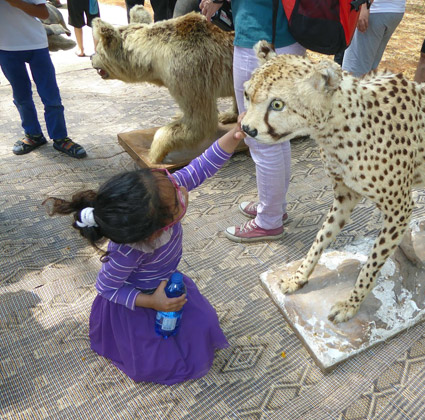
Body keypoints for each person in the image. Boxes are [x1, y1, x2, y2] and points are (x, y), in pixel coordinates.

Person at [43, 121, 246, 385]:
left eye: (175, 186)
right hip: (138, 303)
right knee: (157, 359)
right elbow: (107, 288)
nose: (182, 190)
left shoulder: (163, 193)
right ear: (154, 233)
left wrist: (235, 134)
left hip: (167, 284)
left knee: (203, 324)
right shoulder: (129, 252)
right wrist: (153, 302)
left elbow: (201, 167)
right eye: (178, 204)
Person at [201, 0, 306, 242]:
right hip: (288, 36)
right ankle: (274, 208)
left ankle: (268, 220)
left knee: (260, 136)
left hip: (260, 38)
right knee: (276, 134)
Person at [0, 0, 87, 158]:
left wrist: (14, 2)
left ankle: (60, 138)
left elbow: (43, 13)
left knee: (51, 95)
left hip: (36, 44)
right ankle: (33, 135)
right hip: (6, 48)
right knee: (21, 97)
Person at [342, 0, 405, 77]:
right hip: (394, 9)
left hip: (374, 10)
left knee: (352, 75)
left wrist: (364, 5)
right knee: (368, 74)